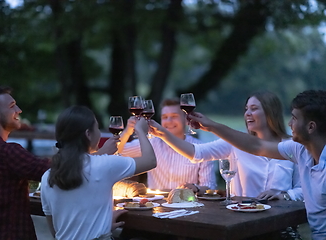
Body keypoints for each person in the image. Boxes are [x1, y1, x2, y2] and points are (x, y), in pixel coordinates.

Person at [175, 90, 326, 240]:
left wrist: (286, 195)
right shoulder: (298, 150)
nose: (289, 123)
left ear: (310, 127)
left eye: (294, 118)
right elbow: (257, 147)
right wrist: (211, 126)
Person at [149, 91, 303, 202]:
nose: (248, 113)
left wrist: (285, 195)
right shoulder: (235, 142)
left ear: (271, 113)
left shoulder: (292, 147)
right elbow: (196, 153)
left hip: (281, 221)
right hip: (242, 218)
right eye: (246, 109)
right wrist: (162, 133)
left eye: (254, 109)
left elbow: (304, 189)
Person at [40, 105, 156, 240]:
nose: (100, 133)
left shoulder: (47, 176)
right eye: (97, 127)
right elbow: (150, 161)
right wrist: (141, 131)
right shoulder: (104, 165)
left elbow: (56, 232)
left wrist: (102, 223)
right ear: (88, 134)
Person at [0, 86, 51, 240]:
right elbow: (54, 171)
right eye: (12, 106)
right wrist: (96, 155)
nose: (19, 110)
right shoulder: (7, 152)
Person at [118, 98, 217, 192]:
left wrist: (196, 188)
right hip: (156, 204)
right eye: (165, 117)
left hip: (187, 205)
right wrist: (127, 131)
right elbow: (117, 151)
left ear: (186, 120)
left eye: (174, 116)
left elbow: (210, 186)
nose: (169, 121)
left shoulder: (201, 147)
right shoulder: (152, 142)